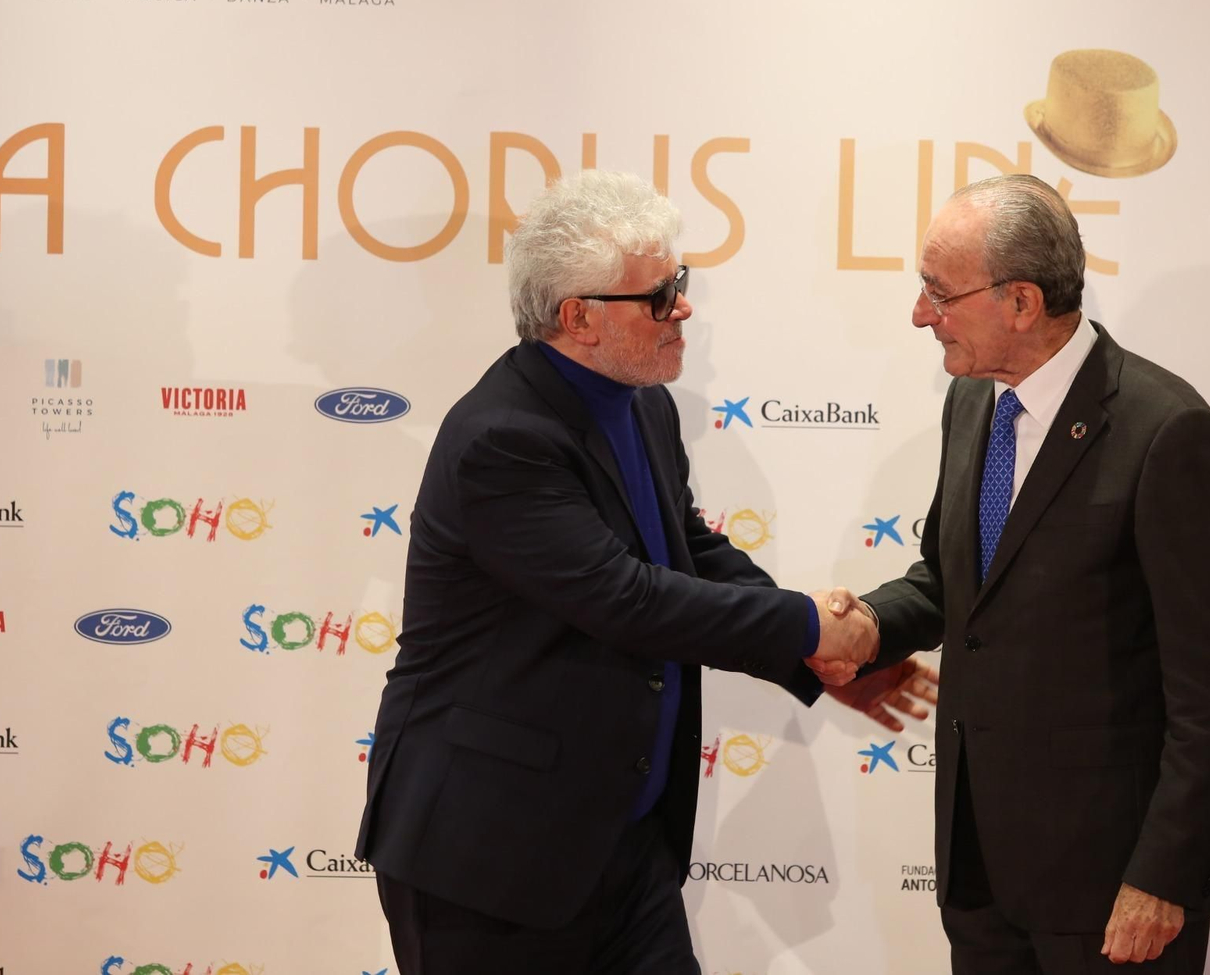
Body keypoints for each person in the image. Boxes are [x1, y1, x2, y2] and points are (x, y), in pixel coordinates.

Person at [354, 170, 926, 974]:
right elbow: (625, 598)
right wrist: (809, 626)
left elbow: (684, 550)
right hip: (488, 857)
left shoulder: (642, 402)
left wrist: (813, 655)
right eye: (659, 296)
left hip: (619, 846)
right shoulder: (504, 438)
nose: (683, 308)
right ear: (578, 316)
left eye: (679, 285)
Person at [820, 174, 1210, 972]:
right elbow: (956, 583)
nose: (922, 314)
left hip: (1109, 883)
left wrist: (1159, 875)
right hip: (981, 869)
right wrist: (869, 627)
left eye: (938, 292)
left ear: (1020, 303)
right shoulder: (975, 403)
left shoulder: (1166, 431)